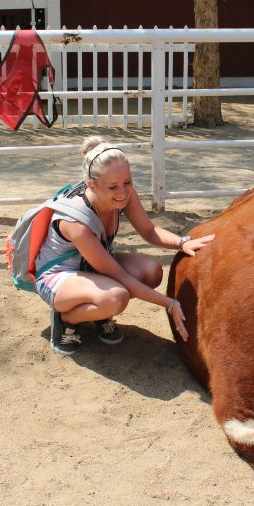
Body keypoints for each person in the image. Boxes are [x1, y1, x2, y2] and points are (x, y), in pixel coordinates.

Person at [36, 137, 215, 355]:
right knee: (116, 297)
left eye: (127, 182)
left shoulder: (123, 195)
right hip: (59, 276)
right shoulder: (76, 223)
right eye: (113, 187)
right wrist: (169, 304)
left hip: (92, 267)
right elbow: (120, 276)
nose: (122, 191)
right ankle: (66, 318)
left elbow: (149, 231)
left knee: (151, 271)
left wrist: (183, 242)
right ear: (91, 185)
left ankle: (97, 312)